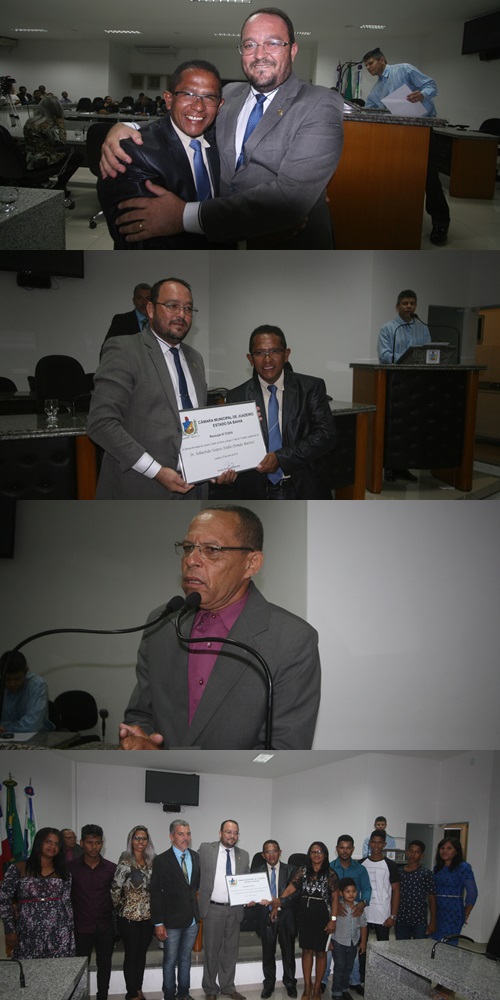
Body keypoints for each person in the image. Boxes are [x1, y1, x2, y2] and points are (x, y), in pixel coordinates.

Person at [99, 8, 344, 249]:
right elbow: (193, 117)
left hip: (288, 244)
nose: (260, 54)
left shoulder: (320, 103)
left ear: (292, 50)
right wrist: (128, 126)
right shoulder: (229, 93)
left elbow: (290, 199)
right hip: (225, 242)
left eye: (272, 43)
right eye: (249, 45)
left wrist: (183, 216)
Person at [119, 504, 321, 750]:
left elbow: (282, 751)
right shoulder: (162, 623)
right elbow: (140, 715)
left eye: (211, 550)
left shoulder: (292, 639)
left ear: (251, 564)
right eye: (188, 548)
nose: (191, 560)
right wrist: (139, 742)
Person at [88, 277, 235, 499]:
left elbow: (196, 423)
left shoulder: (195, 358)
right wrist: (155, 471)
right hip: (140, 488)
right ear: (150, 309)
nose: (181, 314)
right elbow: (101, 423)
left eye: (188, 308)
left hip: (194, 490)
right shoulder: (124, 349)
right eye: (172, 305)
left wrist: (217, 463)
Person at [97, 61, 229, 249]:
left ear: (219, 105)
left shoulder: (222, 141)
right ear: (168, 99)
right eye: (188, 94)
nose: (199, 106)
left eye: (209, 97)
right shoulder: (133, 153)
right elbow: (136, 238)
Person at [222, 326, 336, 499]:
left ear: (286, 354)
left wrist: (281, 458)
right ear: (250, 359)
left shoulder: (310, 388)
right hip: (257, 492)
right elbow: (231, 445)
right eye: (259, 353)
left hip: (304, 488)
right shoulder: (237, 396)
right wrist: (225, 470)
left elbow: (326, 435)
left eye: (274, 351)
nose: (267, 359)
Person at [362, 47, 450, 246]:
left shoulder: (403, 69)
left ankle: (441, 223)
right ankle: (402, 218)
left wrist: (422, 95)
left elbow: (431, 85)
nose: (368, 68)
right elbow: (370, 109)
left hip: (421, 131)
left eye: (370, 63)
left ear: (382, 60)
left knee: (429, 178)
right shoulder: (377, 89)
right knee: (400, 177)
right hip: (397, 135)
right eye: (366, 65)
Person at [269, 842, 339, 1000]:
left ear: (325, 855)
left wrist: (333, 920)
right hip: (304, 917)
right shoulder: (303, 870)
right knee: (307, 952)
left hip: (323, 918)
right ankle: (307, 988)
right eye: (313, 852)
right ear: (309, 854)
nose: (316, 854)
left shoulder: (331, 874)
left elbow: (335, 899)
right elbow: (290, 888)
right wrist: (278, 903)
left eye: (320, 852)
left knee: (321, 953)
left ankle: (317, 989)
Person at [376, 290, 431, 484]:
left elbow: (428, 353)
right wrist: (408, 357)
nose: (409, 306)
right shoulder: (388, 328)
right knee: (393, 427)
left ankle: (404, 466)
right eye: (405, 303)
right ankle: (389, 467)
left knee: (411, 427)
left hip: (416, 385)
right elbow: (384, 356)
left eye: (412, 303)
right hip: (394, 383)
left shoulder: (423, 328)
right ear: (397, 306)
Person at [0, 827, 75, 958]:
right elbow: (4, 900)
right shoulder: (19, 868)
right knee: (29, 968)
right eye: (48, 842)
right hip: (27, 929)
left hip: (58, 930)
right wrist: (10, 930)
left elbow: (67, 903)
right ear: (39, 842)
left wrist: (70, 932)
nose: (52, 847)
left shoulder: (64, 872)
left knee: (57, 968)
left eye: (56, 844)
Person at [198, 819, 249, 1000]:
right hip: (213, 908)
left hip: (234, 909)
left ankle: (227, 986)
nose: (232, 836)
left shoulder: (244, 855)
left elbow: (246, 881)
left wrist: (250, 897)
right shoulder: (206, 849)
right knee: (211, 951)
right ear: (220, 833)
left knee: (230, 950)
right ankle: (211, 988)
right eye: (228, 832)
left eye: (235, 833)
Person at [150, 820, 200, 1000]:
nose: (185, 838)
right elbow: (155, 893)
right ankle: (169, 995)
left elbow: (194, 887)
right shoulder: (161, 860)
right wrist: (158, 923)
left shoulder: (195, 857)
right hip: (170, 922)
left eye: (188, 833)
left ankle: (184, 993)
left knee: (185, 958)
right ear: (171, 837)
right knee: (170, 960)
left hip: (192, 920)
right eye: (180, 834)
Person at [68, 824, 117, 1000]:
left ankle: (102, 996)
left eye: (97, 843)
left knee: (105, 964)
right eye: (90, 842)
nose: (94, 847)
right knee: (80, 967)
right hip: (80, 927)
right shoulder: (70, 868)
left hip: (105, 926)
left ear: (102, 843)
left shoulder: (111, 868)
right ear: (81, 843)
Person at [111, 825, 156, 1000]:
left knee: (141, 954)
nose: (140, 842)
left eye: (144, 838)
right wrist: (121, 907)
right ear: (131, 840)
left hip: (147, 916)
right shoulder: (125, 861)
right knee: (131, 954)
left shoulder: (151, 861)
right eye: (137, 838)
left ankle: (138, 989)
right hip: (129, 917)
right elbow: (115, 888)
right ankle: (131, 994)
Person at [430, 838, 478, 1000]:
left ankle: (449, 989)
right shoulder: (437, 867)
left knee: (449, 950)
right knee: (439, 949)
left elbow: (472, 892)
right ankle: (440, 984)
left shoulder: (463, 867)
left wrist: (466, 912)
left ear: (456, 851)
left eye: (449, 848)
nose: (445, 851)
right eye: (442, 848)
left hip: (453, 913)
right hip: (438, 912)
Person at [325, 836, 371, 997]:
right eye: (342, 847)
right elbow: (325, 891)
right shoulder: (329, 868)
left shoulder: (360, 869)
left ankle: (352, 984)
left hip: (355, 914)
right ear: (337, 848)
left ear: (352, 849)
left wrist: (363, 903)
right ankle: (325, 984)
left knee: (350, 963)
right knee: (331, 959)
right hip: (335, 917)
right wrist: (335, 905)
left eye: (348, 847)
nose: (345, 851)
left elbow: (367, 889)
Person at [254, 840, 298, 998]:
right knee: (268, 954)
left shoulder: (292, 870)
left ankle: (290, 983)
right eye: (268, 852)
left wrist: (279, 904)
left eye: (274, 851)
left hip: (286, 917)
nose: (271, 854)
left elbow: (296, 895)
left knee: (289, 953)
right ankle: (269, 984)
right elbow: (253, 893)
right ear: (263, 855)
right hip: (266, 918)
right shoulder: (256, 872)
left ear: (280, 852)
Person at [23, 96, 83, 204]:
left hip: (29, 157)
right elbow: (62, 141)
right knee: (78, 156)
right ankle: (60, 186)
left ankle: (49, 182)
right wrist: (61, 125)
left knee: (70, 150)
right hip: (41, 159)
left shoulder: (30, 121)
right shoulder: (45, 124)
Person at [330, 877, 367, 1000]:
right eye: (348, 891)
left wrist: (363, 943)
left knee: (348, 967)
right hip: (338, 942)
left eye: (353, 891)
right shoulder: (337, 907)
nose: (351, 894)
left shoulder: (359, 908)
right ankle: (336, 992)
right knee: (340, 967)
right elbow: (330, 924)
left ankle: (344, 989)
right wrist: (329, 941)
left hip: (353, 943)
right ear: (341, 893)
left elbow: (363, 925)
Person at [0, 650, 54, 733]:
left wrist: (4, 727)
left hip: (39, 736)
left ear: (26, 672)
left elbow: (32, 725)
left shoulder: (37, 685)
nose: (12, 684)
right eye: (7, 679)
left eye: (17, 679)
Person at [361, 831, 400, 942]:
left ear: (384, 844)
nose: (376, 845)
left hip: (383, 915)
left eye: (380, 842)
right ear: (369, 843)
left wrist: (393, 916)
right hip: (364, 913)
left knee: (383, 947)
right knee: (361, 945)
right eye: (374, 842)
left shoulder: (391, 865)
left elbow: (396, 891)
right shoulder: (361, 864)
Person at [395, 840, 436, 940]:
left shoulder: (426, 873)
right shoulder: (398, 872)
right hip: (401, 918)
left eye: (417, 852)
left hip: (419, 919)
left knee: (420, 947)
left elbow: (431, 898)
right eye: (411, 851)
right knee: (401, 947)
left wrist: (433, 921)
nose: (413, 854)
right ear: (406, 852)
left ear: (422, 855)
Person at [101, 282, 151, 356]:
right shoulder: (121, 321)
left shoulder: (158, 322)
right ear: (134, 300)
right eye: (139, 298)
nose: (144, 302)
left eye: (147, 298)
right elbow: (108, 348)